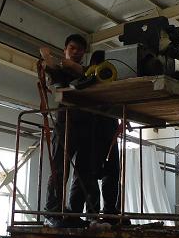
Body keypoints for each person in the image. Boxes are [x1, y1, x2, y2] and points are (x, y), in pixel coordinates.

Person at [39, 34, 93, 227]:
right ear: (65, 50)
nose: (76, 52)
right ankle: (52, 211)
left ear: (84, 53)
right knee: (60, 169)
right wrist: (47, 57)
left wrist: (74, 66)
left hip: (85, 124)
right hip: (65, 124)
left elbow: (93, 78)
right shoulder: (61, 71)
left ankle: (74, 213)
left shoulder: (88, 73)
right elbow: (52, 74)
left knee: (83, 171)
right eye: (72, 48)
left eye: (80, 49)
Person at [67, 50, 120, 224]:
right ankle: (77, 214)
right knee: (85, 174)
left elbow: (117, 103)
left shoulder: (112, 79)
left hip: (108, 131)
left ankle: (108, 213)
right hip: (91, 131)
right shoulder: (85, 78)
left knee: (110, 174)